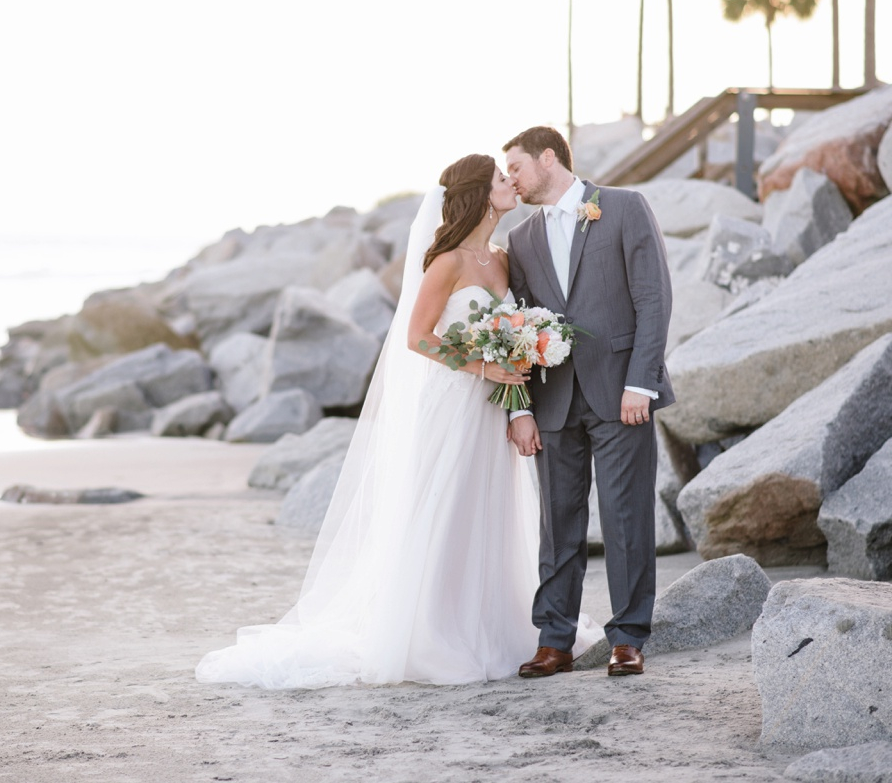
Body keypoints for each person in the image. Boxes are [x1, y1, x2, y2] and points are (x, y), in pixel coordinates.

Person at [196, 153, 599, 689]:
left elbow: (513, 342)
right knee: (445, 510)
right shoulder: (448, 262)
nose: (511, 183)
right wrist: (483, 365)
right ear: (480, 194)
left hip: (492, 409)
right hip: (452, 404)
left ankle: (490, 628)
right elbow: (418, 338)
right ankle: (432, 633)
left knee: (491, 513)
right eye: (502, 179)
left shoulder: (502, 259)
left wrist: (519, 404)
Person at [502, 126, 674, 679]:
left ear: (548, 158)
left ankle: (628, 637)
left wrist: (640, 383)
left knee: (626, 519)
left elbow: (653, 299)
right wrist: (520, 406)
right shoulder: (522, 238)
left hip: (620, 392)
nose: (511, 180)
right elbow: (519, 329)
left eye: (517, 168)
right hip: (554, 401)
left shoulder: (622, 208)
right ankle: (556, 639)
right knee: (558, 526)